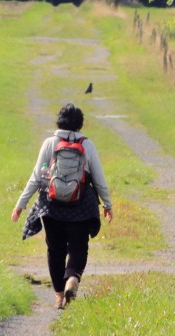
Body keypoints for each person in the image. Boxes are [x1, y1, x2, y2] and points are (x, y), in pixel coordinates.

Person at [12, 103, 113, 310]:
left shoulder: (50, 143)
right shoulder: (87, 145)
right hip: (81, 207)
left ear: (59, 120)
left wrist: (20, 205)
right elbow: (99, 179)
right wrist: (107, 204)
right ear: (80, 123)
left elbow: (36, 177)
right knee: (78, 248)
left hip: (52, 207)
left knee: (55, 251)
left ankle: (59, 295)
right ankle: (72, 280)